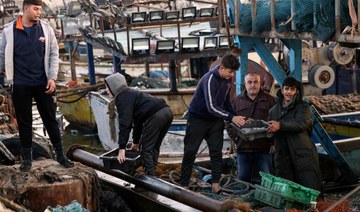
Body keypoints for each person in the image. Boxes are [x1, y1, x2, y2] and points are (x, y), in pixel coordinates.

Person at [0, 0, 73, 172]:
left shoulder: (46, 30)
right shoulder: (9, 31)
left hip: (43, 84)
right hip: (20, 85)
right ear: (25, 9)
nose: (39, 12)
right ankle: (27, 160)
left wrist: (52, 78)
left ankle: (61, 156)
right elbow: (1, 56)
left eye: (40, 9)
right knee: (25, 123)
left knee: (51, 120)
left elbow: (54, 54)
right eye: (36, 9)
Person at [180, 54, 246, 194]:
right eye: (230, 72)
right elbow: (212, 106)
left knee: (216, 153)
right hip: (198, 119)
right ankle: (184, 184)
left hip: (214, 121)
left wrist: (235, 116)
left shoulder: (228, 80)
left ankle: (216, 185)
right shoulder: (210, 79)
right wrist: (230, 118)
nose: (232, 75)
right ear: (221, 68)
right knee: (190, 152)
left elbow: (226, 103)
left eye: (233, 72)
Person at [104, 73, 173, 176]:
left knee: (145, 149)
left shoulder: (122, 97)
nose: (106, 90)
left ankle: (151, 180)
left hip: (155, 115)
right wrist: (135, 142)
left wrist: (121, 148)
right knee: (153, 147)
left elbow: (125, 124)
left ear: (114, 86)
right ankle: (153, 173)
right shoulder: (130, 93)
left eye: (107, 87)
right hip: (167, 112)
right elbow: (137, 122)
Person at [267, 77, 322, 191]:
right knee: (287, 188)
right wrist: (271, 141)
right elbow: (270, 128)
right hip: (282, 154)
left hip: (302, 153)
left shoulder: (303, 107)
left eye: (292, 89)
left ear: (296, 91)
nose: (289, 92)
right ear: (282, 90)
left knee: (309, 186)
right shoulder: (273, 110)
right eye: (286, 89)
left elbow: (302, 124)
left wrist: (280, 125)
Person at [229, 72, 276, 183]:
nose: (253, 85)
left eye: (256, 82)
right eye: (249, 82)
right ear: (245, 84)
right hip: (243, 149)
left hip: (264, 148)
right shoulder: (237, 100)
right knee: (243, 181)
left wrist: (274, 143)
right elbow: (228, 121)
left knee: (267, 180)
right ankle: (245, 200)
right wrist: (236, 139)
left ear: (260, 84)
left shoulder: (270, 101)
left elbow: (276, 122)